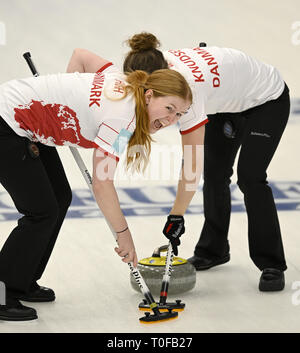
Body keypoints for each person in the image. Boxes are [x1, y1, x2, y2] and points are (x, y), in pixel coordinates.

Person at [0, 49, 193, 321]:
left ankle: (20, 281)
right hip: (8, 122)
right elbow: (102, 184)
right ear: (149, 96)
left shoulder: (124, 80)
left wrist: (66, 106)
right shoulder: (122, 119)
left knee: (59, 199)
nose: (170, 120)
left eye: (179, 114)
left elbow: (81, 55)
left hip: (27, 122)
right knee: (41, 211)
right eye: (169, 108)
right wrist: (123, 234)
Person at [123, 32, 290, 292]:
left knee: (251, 176)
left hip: (267, 100)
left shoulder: (189, 91)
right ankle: (214, 249)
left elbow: (191, 162)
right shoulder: (149, 62)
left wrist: (176, 216)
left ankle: (271, 263)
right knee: (215, 173)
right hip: (227, 102)